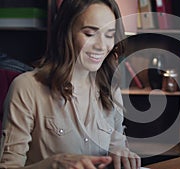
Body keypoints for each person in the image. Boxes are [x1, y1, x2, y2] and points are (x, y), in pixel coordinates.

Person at [0, 0, 141, 168]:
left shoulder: (111, 89)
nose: (101, 46)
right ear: (66, 33)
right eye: (89, 34)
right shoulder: (26, 87)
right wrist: (53, 164)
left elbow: (116, 145)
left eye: (109, 35)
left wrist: (122, 153)